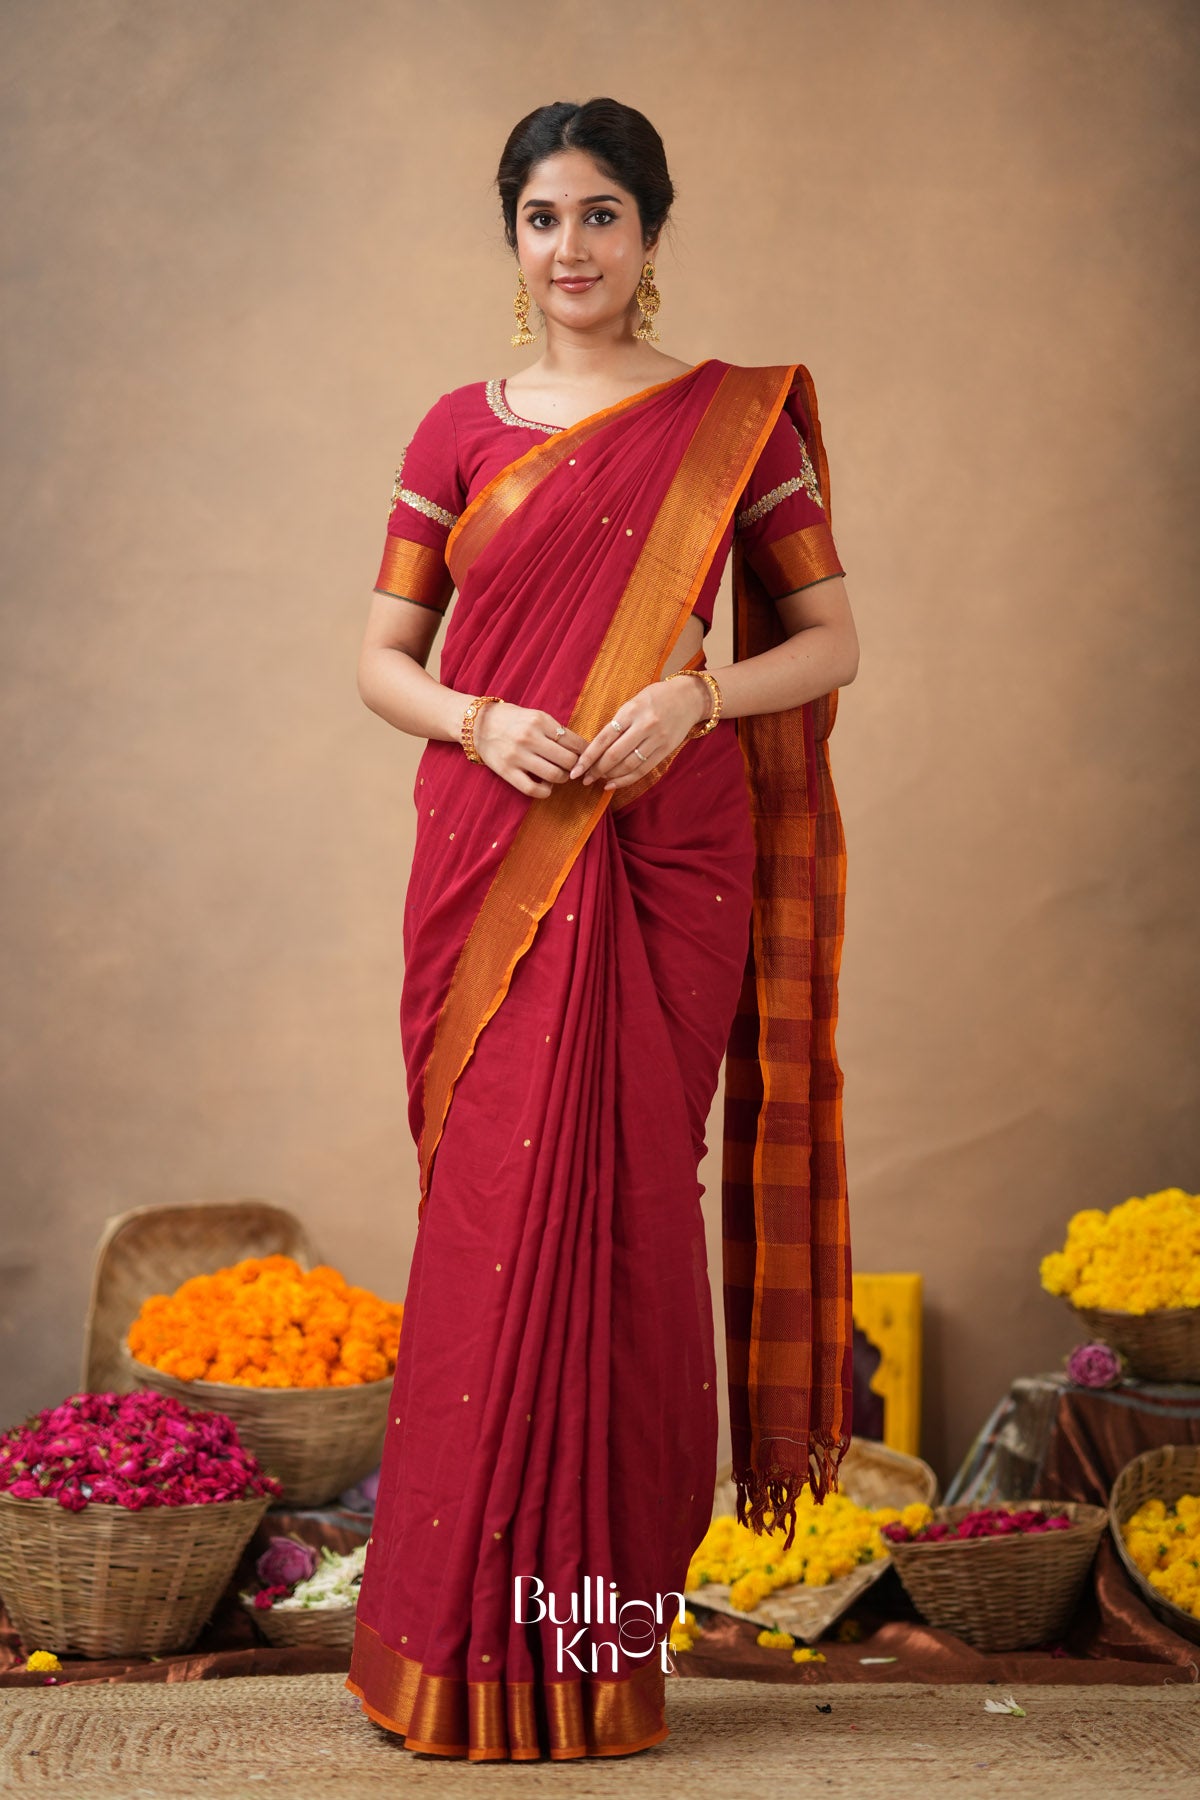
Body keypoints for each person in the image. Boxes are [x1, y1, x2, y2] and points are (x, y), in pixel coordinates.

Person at [345, 96, 860, 1762]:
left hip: (663, 855)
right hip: (495, 835)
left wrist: (703, 696)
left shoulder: (733, 423)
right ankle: (444, 1653)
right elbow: (382, 660)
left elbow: (834, 641)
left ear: (653, 232)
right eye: (544, 217)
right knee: (494, 1232)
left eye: (604, 216)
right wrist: (477, 722)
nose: (573, 249)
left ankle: (599, 1649)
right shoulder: (456, 430)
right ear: (512, 238)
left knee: (628, 1222)